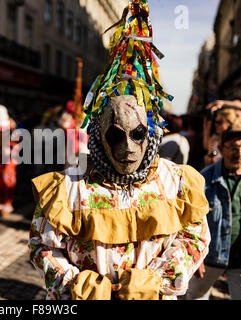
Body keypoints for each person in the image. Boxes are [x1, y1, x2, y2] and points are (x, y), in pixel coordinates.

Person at [28, 0, 210, 300]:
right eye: (115, 136)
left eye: (137, 134)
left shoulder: (177, 182)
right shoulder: (70, 185)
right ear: (98, 135)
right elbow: (41, 245)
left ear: (150, 133)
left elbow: (194, 237)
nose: (127, 148)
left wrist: (154, 281)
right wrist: (76, 284)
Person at [185, 126, 241, 300]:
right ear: (222, 148)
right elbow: (189, 220)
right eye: (233, 148)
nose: (239, 153)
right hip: (209, 257)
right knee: (195, 296)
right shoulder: (204, 179)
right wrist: (195, 255)